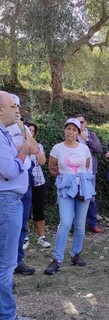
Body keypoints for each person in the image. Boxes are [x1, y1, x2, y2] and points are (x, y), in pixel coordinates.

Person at [44, 118, 95, 275]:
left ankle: (76, 254)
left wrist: (78, 180)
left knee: (80, 223)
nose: (71, 132)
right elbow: (52, 168)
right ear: (64, 130)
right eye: (69, 129)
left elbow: (86, 167)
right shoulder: (57, 148)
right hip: (66, 188)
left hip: (82, 188)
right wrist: (66, 178)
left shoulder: (84, 149)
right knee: (65, 222)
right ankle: (57, 259)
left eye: (74, 129)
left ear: (78, 132)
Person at [0, 90, 34, 320]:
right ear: (1, 109)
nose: (17, 109)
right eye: (13, 106)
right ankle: (7, 316)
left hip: (9, 201)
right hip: (7, 202)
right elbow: (10, 171)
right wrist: (22, 151)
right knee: (6, 264)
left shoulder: (6, 134)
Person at [7, 94, 38, 276]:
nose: (17, 109)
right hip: (7, 185)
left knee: (22, 225)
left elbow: (34, 149)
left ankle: (17, 260)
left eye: (18, 105)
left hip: (24, 182)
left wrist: (22, 128)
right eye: (13, 106)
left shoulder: (22, 127)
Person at [74, 114, 103, 233]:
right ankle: (76, 226)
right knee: (76, 197)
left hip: (90, 172)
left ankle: (92, 224)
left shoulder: (91, 134)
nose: (80, 124)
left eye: (82, 122)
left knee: (91, 198)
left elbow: (99, 149)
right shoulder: (73, 135)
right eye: (77, 122)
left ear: (85, 123)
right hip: (76, 172)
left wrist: (87, 140)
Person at [27, 122, 51, 248]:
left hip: (38, 181)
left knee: (39, 210)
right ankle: (25, 238)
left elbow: (42, 162)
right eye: (28, 129)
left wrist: (35, 149)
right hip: (23, 182)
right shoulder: (18, 144)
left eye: (32, 130)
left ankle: (41, 237)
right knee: (24, 211)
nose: (30, 132)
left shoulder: (39, 146)